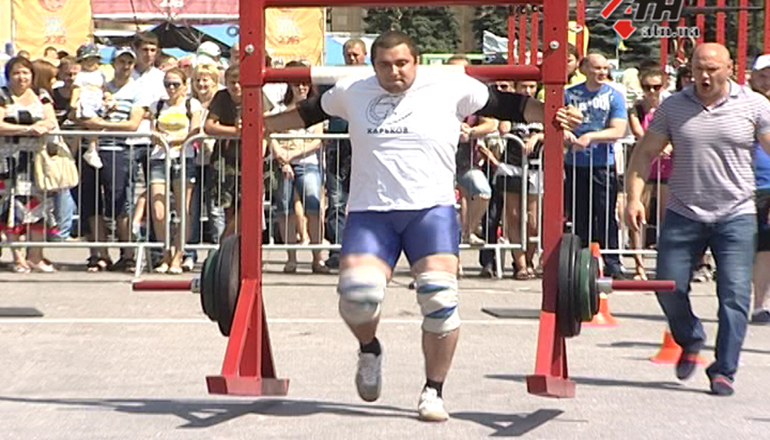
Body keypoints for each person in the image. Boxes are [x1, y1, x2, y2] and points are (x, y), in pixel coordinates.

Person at [263, 30, 581, 421]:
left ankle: (433, 390)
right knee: (357, 299)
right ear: (372, 65)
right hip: (371, 213)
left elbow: (511, 106)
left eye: (402, 64)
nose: (394, 72)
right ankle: (369, 349)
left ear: (416, 61)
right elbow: (308, 113)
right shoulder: (352, 89)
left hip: (429, 211)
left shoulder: (448, 84)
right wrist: (260, 125)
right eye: (384, 65)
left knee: (439, 301)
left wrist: (553, 113)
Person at [626, 43, 770, 396]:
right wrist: (633, 198)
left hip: (735, 213)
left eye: (712, 69)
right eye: (698, 69)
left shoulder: (755, 105)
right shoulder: (674, 107)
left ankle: (724, 370)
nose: (704, 76)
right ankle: (690, 337)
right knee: (668, 286)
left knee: (734, 295)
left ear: (730, 69)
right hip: (683, 210)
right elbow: (645, 153)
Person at [78, 47, 146, 273]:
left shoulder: (137, 90)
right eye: (121, 61)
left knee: (119, 202)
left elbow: (133, 124)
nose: (125, 66)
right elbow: (81, 111)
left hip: (118, 149)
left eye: (129, 62)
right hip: (92, 148)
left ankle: (127, 253)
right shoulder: (101, 85)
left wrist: (103, 125)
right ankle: (99, 253)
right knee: (92, 202)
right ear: (114, 63)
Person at [564, 52, 628, 279]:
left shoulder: (614, 96)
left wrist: (591, 137)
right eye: (597, 68)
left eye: (605, 68)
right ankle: (580, 262)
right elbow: (556, 122)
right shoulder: (569, 94)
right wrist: (567, 134)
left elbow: (618, 130)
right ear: (584, 69)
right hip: (575, 164)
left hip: (602, 164)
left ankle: (612, 260)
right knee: (579, 214)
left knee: (606, 214)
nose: (602, 72)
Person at [0, 56, 58, 273]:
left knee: (40, 207)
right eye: (16, 73)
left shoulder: (42, 95)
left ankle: (35, 255)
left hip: (37, 160)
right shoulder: (3, 95)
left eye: (25, 72)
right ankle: (18, 257)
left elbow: (51, 120)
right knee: (13, 207)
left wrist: (44, 125)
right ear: (9, 75)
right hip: (9, 160)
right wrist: (26, 130)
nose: (21, 77)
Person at [271, 61, 329, 274]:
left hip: (308, 164)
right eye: (296, 84)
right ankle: (291, 258)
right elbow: (271, 134)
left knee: (314, 209)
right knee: (285, 210)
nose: (301, 88)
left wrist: (292, 154)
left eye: (305, 84)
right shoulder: (279, 108)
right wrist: (282, 158)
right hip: (283, 165)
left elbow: (316, 139)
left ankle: (317, 258)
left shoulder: (316, 108)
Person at [148, 67, 202, 274]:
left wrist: (169, 140)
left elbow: (194, 131)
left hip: (184, 158)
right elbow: (152, 131)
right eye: (167, 84)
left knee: (183, 210)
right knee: (159, 211)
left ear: (184, 86)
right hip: (159, 159)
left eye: (175, 84)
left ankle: (179, 256)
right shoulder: (157, 105)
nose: (171, 88)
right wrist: (161, 140)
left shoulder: (191, 104)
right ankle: (166, 254)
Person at [323, 38, 368, 270]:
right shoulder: (333, 77)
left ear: (365, 55)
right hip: (337, 147)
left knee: (362, 200)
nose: (352, 58)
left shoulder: (372, 79)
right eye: (348, 54)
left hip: (363, 146)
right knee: (337, 200)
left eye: (356, 54)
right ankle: (338, 249)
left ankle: (361, 250)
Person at [627, 68, 670, 281]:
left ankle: (665, 264)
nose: (651, 91)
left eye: (656, 87)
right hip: (645, 168)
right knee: (637, 216)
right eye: (647, 87)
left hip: (667, 168)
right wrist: (656, 144)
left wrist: (667, 144)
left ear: (665, 86)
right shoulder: (637, 109)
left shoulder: (669, 108)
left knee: (666, 218)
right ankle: (639, 265)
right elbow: (638, 133)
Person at [749, 54, 770, 324]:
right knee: (743, 247)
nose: (767, 80)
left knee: (766, 247)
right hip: (743, 185)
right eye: (763, 75)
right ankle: (744, 301)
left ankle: (760, 305)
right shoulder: (743, 104)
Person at [71, 44, 109, 170]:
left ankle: (91, 149)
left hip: (97, 101)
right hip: (86, 101)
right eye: (88, 60)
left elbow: (105, 89)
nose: (91, 63)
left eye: (94, 59)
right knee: (92, 122)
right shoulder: (81, 75)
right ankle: (89, 150)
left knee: (97, 124)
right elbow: (76, 90)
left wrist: (108, 97)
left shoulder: (101, 75)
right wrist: (73, 103)